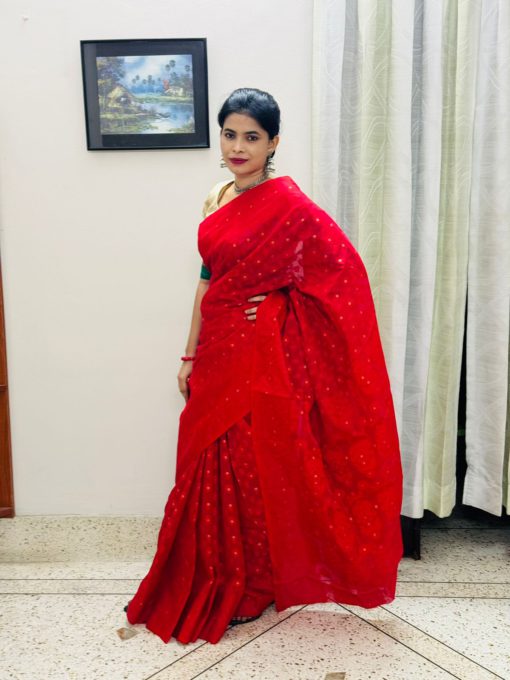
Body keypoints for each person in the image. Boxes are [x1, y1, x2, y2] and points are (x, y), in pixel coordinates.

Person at [125, 88, 403, 645]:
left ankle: (253, 584)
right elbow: (206, 283)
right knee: (205, 464)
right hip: (217, 350)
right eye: (230, 134)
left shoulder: (291, 207)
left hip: (259, 356)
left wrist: (278, 305)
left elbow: (343, 278)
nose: (238, 147)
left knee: (249, 467)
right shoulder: (217, 197)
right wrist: (189, 354)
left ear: (274, 142)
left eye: (252, 137)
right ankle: (211, 570)